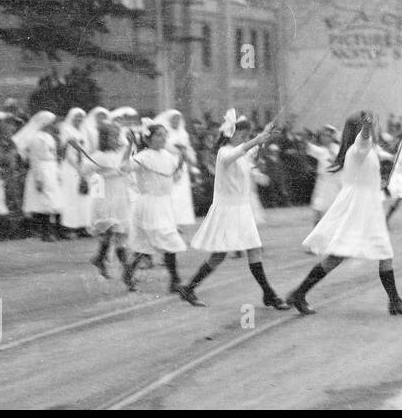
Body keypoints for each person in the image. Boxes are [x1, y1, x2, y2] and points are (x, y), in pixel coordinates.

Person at [287, 112, 402, 317]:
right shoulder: (358, 148)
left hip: (367, 207)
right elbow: (364, 140)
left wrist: (381, 181)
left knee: (381, 253)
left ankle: (395, 301)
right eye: (370, 126)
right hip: (360, 209)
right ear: (359, 130)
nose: (374, 129)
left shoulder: (368, 150)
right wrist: (366, 128)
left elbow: (377, 161)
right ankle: (300, 294)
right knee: (340, 256)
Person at [178, 111, 290, 309]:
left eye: (245, 134)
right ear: (230, 134)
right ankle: (189, 288)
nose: (243, 137)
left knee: (253, 249)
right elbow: (237, 153)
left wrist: (264, 134)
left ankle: (268, 293)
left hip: (241, 208)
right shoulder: (224, 152)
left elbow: (250, 153)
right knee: (219, 255)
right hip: (227, 209)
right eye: (240, 133)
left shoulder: (241, 151)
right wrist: (257, 139)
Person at [124, 123, 189, 293]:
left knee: (159, 242)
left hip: (164, 204)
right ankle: (174, 280)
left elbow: (174, 178)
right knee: (162, 240)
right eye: (159, 135)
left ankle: (131, 270)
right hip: (149, 204)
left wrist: (181, 160)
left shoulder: (168, 155)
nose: (163, 138)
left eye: (164, 135)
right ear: (148, 138)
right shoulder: (144, 156)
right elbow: (124, 167)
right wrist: (129, 146)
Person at [83, 123, 135, 279]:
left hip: (120, 196)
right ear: (104, 138)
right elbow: (86, 170)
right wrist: (102, 174)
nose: (115, 139)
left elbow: (126, 163)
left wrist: (131, 144)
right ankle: (127, 272)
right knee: (112, 230)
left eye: (116, 135)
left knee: (119, 233)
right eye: (112, 136)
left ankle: (100, 259)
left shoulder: (120, 153)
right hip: (107, 197)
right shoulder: (99, 155)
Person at [13, 111, 63, 242]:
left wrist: (58, 172)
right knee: (43, 202)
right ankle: (45, 232)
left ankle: (52, 231)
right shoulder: (37, 138)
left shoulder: (49, 137)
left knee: (52, 201)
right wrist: (38, 178)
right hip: (42, 170)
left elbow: (54, 156)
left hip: (51, 169)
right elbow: (34, 159)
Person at [155, 109, 198, 231]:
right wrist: (179, 150)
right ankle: (169, 221)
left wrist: (189, 156)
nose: (176, 121)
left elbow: (188, 147)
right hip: (168, 162)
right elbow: (165, 145)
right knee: (171, 193)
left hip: (181, 164)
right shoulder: (165, 132)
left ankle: (179, 221)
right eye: (174, 119)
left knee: (181, 194)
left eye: (178, 119)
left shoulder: (183, 133)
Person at [57, 108, 92, 239]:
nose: (79, 120)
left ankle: (83, 226)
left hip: (82, 167)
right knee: (71, 197)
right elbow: (67, 151)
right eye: (76, 117)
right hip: (70, 168)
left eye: (81, 117)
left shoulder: (83, 131)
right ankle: (69, 228)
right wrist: (77, 167)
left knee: (83, 197)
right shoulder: (66, 130)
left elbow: (86, 149)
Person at [305, 125, 342, 226]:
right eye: (322, 135)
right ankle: (316, 233)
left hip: (336, 184)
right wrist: (311, 138)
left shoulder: (338, 149)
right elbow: (309, 148)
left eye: (327, 135)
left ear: (332, 137)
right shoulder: (321, 150)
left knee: (335, 210)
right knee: (318, 207)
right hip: (322, 183)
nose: (324, 138)